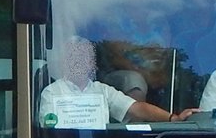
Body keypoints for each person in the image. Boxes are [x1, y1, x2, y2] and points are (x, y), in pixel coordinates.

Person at [39, 38, 195, 129]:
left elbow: (137, 108)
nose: (80, 62)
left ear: (92, 63)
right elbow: (49, 128)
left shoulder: (102, 90)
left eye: (85, 57)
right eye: (75, 57)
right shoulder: (52, 92)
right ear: (66, 62)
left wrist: (173, 119)